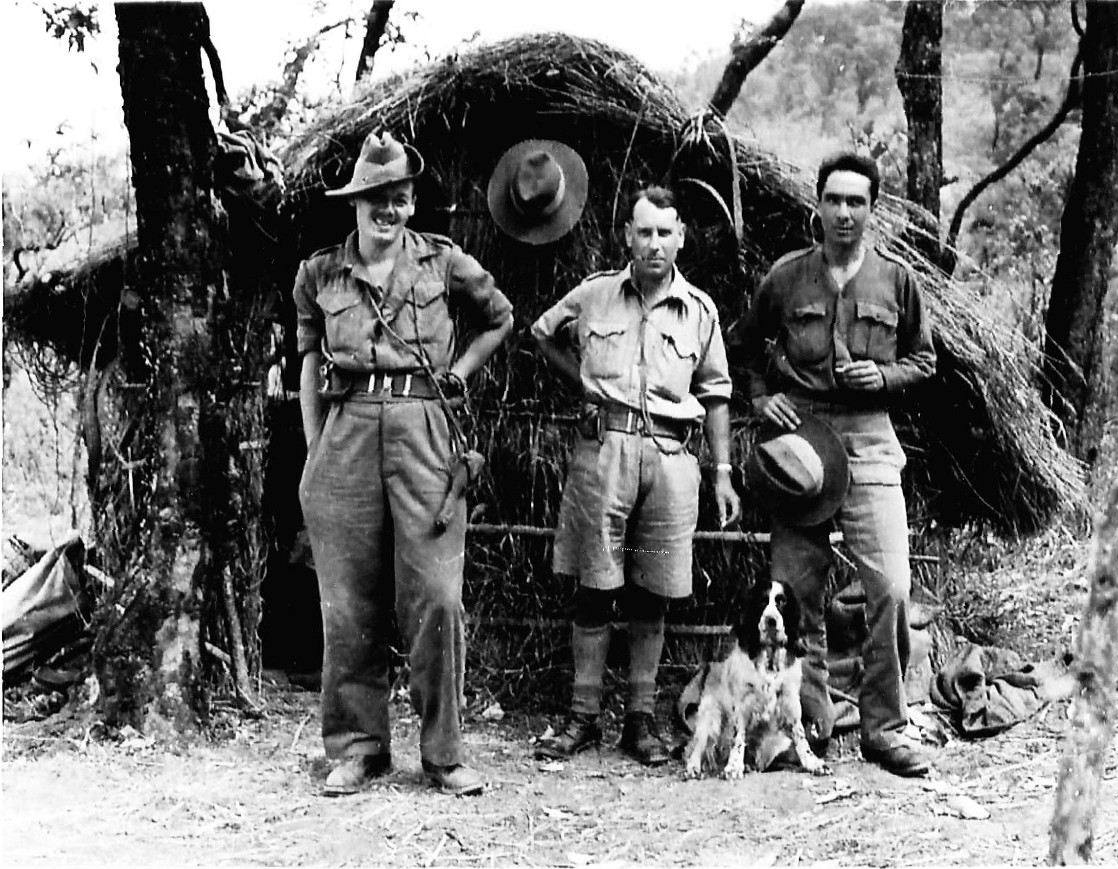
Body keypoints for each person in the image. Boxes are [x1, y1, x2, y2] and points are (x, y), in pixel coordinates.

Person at [294, 131, 514, 797]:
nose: (387, 211)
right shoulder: (320, 274)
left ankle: (444, 753)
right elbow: (308, 361)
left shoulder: (444, 263)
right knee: (346, 604)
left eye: (399, 199)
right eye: (375, 200)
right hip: (347, 433)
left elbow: (500, 318)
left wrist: (461, 373)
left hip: (424, 430)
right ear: (355, 203)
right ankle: (359, 747)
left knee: (436, 598)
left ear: (412, 203)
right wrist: (315, 455)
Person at [729, 152, 936, 777]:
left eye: (857, 202)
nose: (845, 212)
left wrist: (885, 374)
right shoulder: (788, 278)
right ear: (817, 206)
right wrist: (764, 399)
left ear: (873, 211)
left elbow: (925, 361)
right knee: (796, 591)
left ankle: (885, 729)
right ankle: (807, 728)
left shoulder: (896, 281)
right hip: (803, 442)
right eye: (834, 200)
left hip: (870, 435)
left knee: (891, 585)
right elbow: (742, 347)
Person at [531, 186, 741, 766]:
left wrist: (722, 473)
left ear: (680, 238)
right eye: (643, 232)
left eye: (664, 233)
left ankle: (641, 721)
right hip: (605, 452)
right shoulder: (596, 295)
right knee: (595, 587)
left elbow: (717, 394)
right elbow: (541, 333)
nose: (654, 244)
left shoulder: (699, 311)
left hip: (672, 458)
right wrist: (584, 382)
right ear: (628, 235)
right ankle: (583, 716)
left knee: (654, 593)